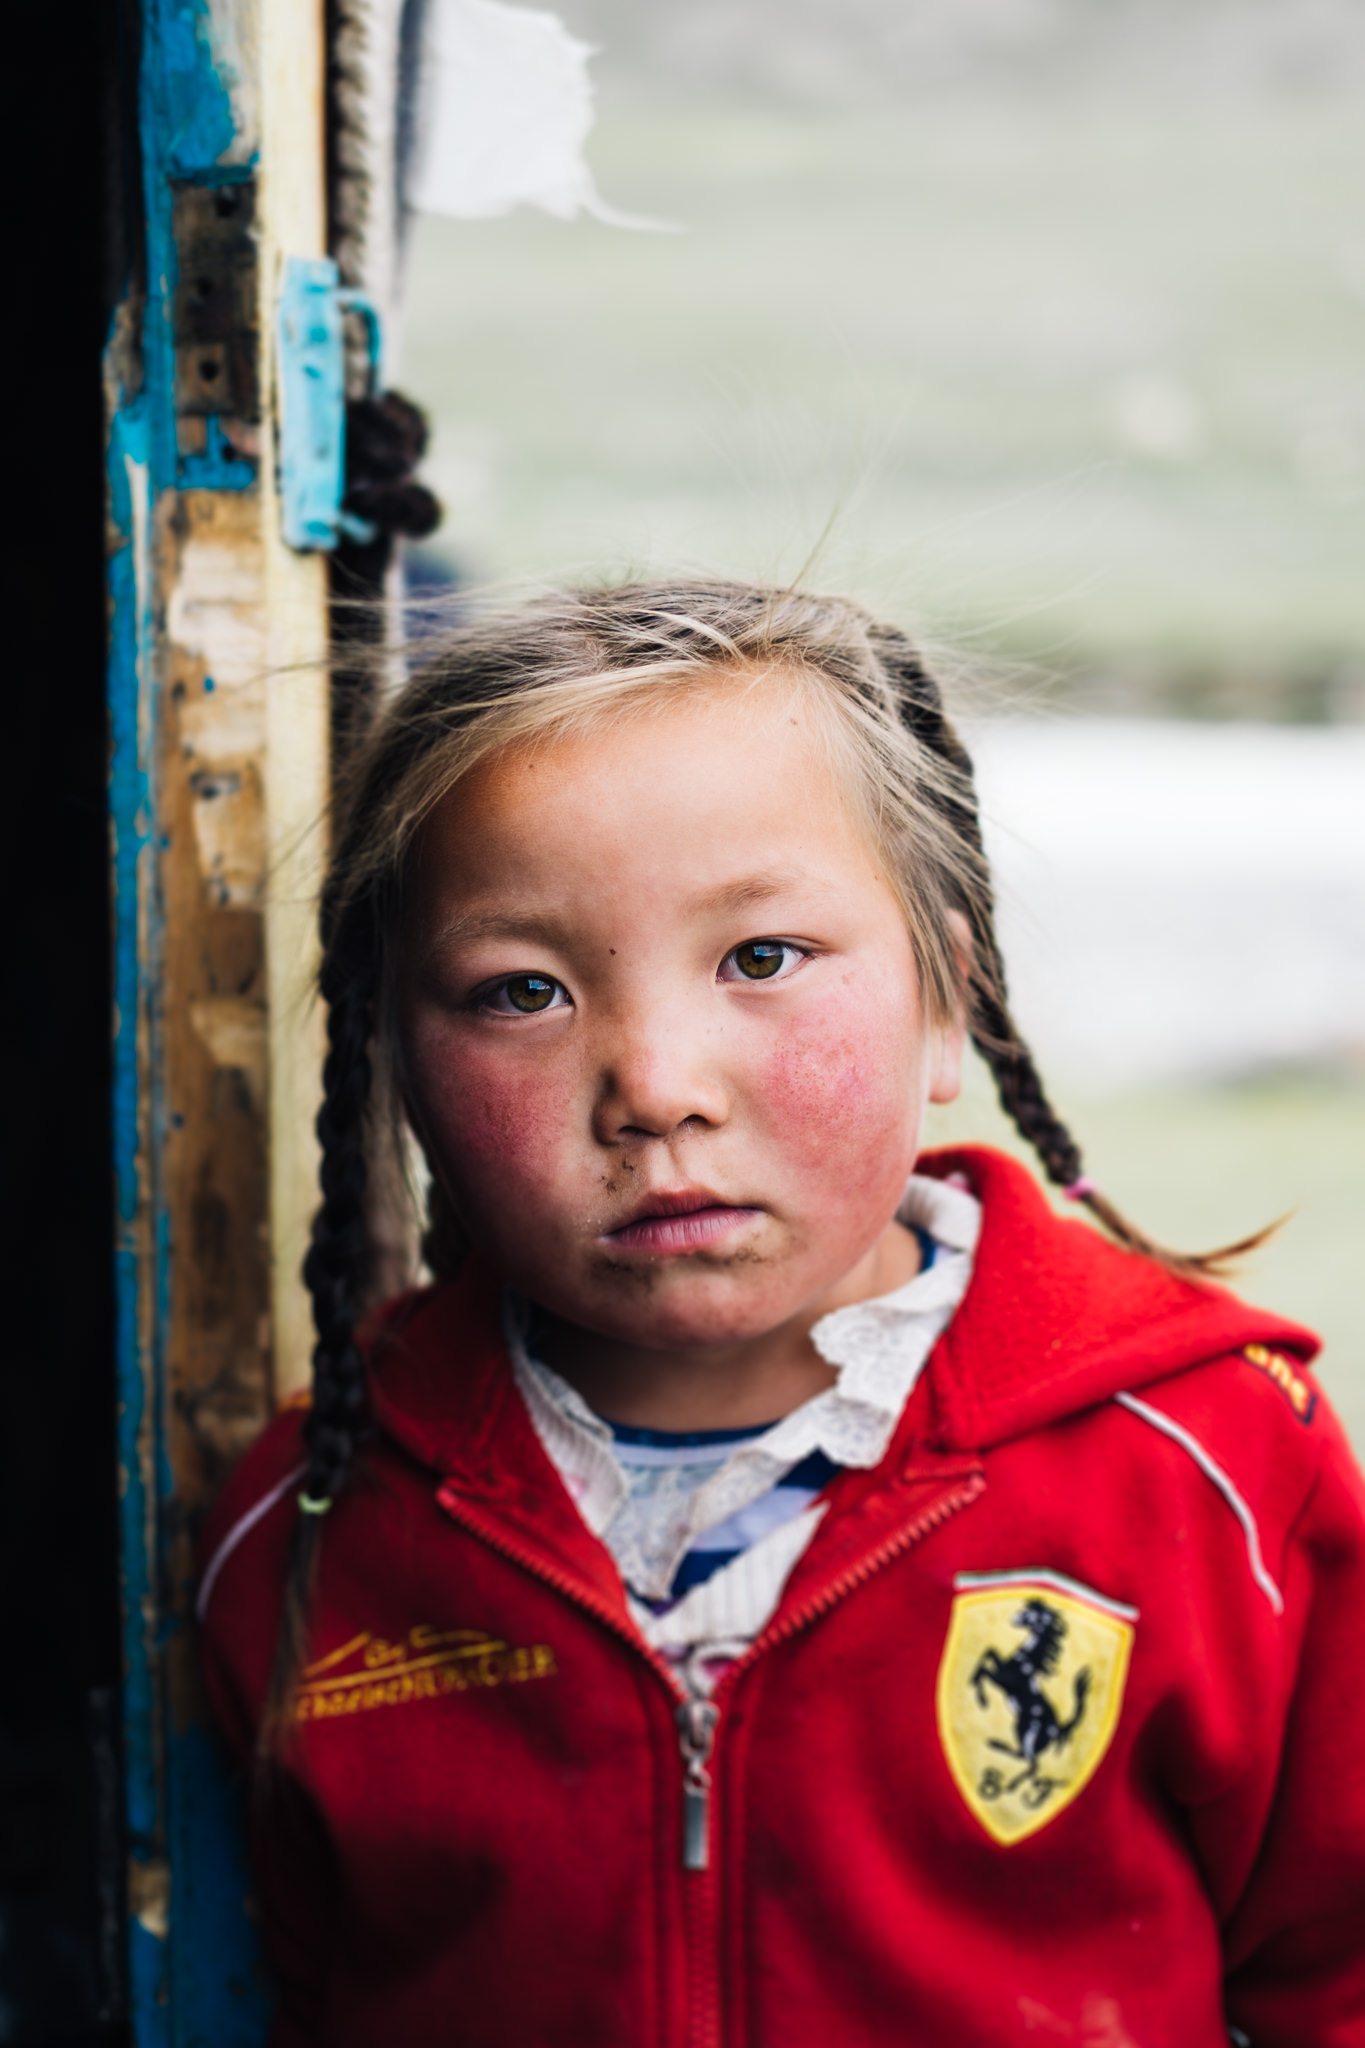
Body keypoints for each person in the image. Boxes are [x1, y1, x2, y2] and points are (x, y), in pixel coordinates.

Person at [198, 582, 1365, 2048]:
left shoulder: (1204, 1461)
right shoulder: (314, 1525)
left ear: (950, 995)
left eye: (759, 960)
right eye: (520, 993)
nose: (656, 1085)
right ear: (396, 1060)